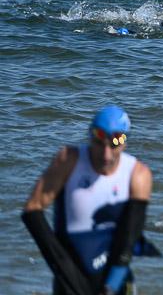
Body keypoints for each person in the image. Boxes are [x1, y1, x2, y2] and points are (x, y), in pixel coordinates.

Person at [23, 106, 155, 295]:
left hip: (115, 279)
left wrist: (111, 286)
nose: (106, 154)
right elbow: (32, 209)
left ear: (125, 143)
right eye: (99, 143)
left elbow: (127, 240)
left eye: (114, 145)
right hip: (69, 278)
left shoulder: (138, 175)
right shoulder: (69, 161)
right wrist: (66, 273)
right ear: (90, 137)